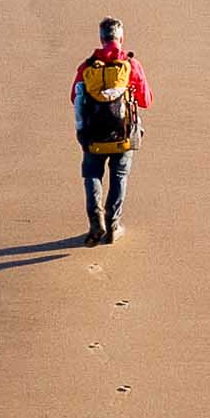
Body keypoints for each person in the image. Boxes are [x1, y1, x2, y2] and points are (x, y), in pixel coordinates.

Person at [74, 17, 150, 246]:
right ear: (120, 38)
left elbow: (74, 97)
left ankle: (96, 219)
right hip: (123, 136)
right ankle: (113, 223)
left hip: (94, 136)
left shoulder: (87, 66)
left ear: (101, 38)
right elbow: (146, 100)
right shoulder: (131, 65)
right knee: (119, 176)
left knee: (92, 175)